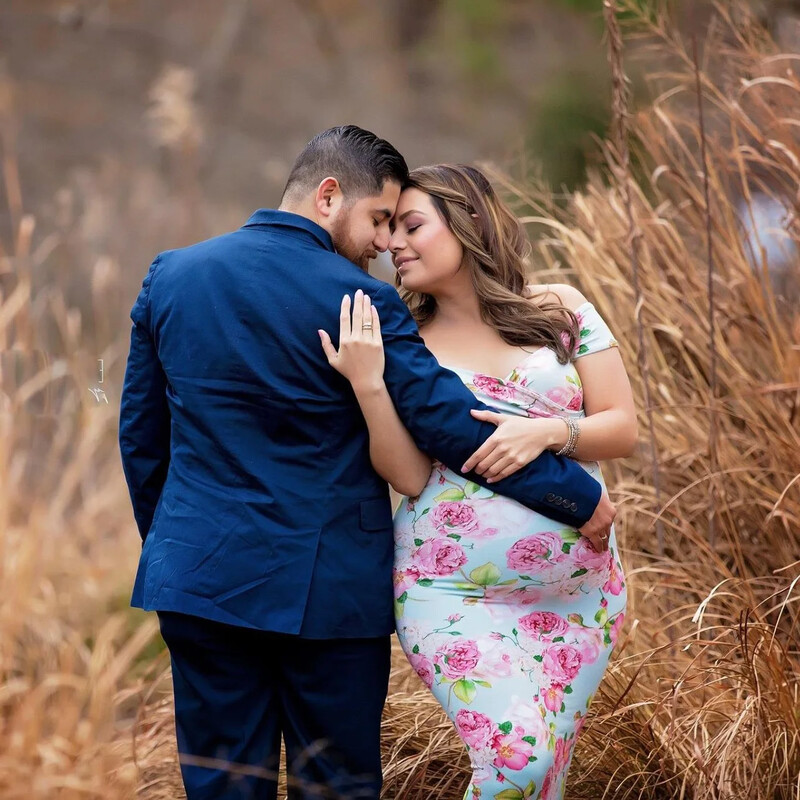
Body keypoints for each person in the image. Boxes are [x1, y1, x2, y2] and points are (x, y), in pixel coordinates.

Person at [119, 127, 615, 800]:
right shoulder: (360, 300)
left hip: (200, 582)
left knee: (225, 785)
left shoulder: (172, 275)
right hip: (329, 594)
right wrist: (574, 497)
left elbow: (142, 438)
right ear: (328, 197)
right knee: (338, 787)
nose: (384, 241)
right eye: (380, 218)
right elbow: (448, 423)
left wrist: (176, 547)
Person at [322, 164, 634, 800]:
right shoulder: (406, 342)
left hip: (579, 599)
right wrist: (369, 384)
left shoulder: (561, 308)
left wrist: (547, 433)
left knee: (546, 776)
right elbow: (409, 475)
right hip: (452, 593)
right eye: (388, 229)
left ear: (469, 223)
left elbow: (622, 427)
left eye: (412, 226)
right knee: (518, 764)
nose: (393, 243)